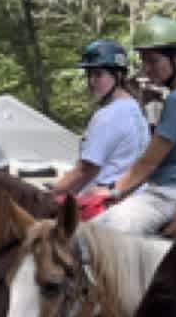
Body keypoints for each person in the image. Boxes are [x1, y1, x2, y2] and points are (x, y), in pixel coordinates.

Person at [93, 17, 176, 237]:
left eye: (153, 61)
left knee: (95, 233)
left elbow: (148, 162)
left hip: (169, 194)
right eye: (143, 61)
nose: (147, 69)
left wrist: (113, 192)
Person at [47, 40, 151, 221]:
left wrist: (48, 195)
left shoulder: (108, 115)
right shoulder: (134, 108)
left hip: (105, 208)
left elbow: (84, 171)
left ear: (118, 75)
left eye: (98, 74)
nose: (91, 81)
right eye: (89, 75)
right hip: (136, 200)